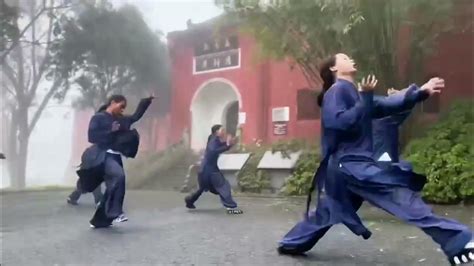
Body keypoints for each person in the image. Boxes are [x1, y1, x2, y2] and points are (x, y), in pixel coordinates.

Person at [277, 53, 473, 265]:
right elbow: (339, 122)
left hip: (345, 168)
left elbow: (386, 105)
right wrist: (366, 99)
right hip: (350, 165)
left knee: (328, 211)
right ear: (334, 69)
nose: (350, 58)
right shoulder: (337, 91)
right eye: (343, 57)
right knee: (400, 196)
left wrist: (421, 92)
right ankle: (458, 240)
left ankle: (291, 243)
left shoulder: (353, 92)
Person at [76, 94, 154, 228]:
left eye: (124, 108)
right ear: (112, 102)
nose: (123, 110)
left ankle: (100, 220)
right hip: (103, 155)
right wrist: (110, 131)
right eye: (121, 106)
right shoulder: (98, 118)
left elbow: (135, 116)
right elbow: (92, 137)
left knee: (113, 186)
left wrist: (146, 102)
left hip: (116, 157)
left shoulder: (121, 120)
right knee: (119, 177)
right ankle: (116, 212)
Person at [184, 124, 243, 214]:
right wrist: (227, 145)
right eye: (222, 130)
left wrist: (229, 144)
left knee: (202, 188)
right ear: (217, 132)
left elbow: (221, 146)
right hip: (210, 170)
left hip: (204, 170)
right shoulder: (213, 140)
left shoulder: (214, 139)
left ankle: (189, 201)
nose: (224, 132)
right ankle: (231, 207)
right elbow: (214, 151)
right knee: (223, 186)